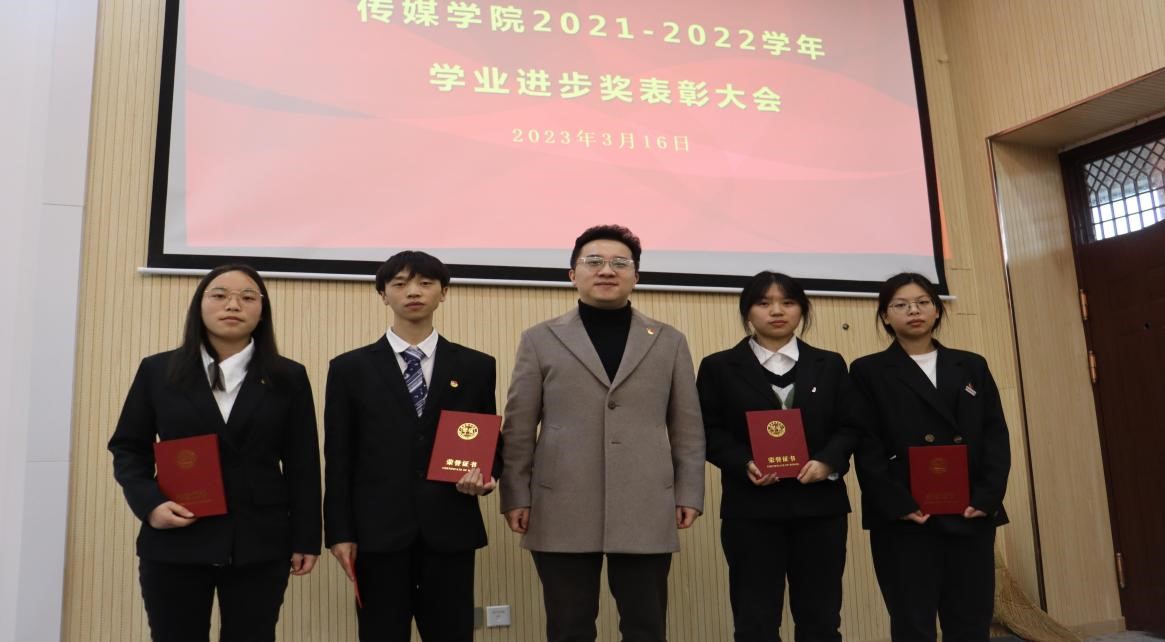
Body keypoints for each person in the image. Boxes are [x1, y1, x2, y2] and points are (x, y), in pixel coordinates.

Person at [499, 224, 705, 642]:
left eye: (619, 263)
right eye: (593, 262)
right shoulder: (540, 339)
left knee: (646, 626)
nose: (606, 270)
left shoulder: (668, 341)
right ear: (572, 274)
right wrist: (516, 494)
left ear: (636, 276)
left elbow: (687, 427)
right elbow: (519, 426)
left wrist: (689, 492)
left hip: (646, 502)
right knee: (569, 627)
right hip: (560, 502)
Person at [108, 264, 321, 642]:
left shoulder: (288, 376)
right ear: (199, 306)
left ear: (262, 311)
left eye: (247, 297)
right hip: (176, 535)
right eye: (219, 295)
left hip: (259, 539)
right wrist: (150, 504)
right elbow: (128, 447)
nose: (233, 305)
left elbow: (302, 463)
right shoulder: (158, 370)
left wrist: (306, 538)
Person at [323, 251, 497, 642]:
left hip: (449, 528)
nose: (413, 292)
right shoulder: (350, 368)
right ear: (383, 295)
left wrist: (486, 476)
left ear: (443, 292)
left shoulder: (476, 366)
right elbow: (338, 457)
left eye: (425, 283)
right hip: (376, 533)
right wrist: (339, 532)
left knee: (453, 634)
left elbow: (487, 439)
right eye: (400, 284)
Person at [697, 271, 861, 642]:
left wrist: (827, 462)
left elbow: (851, 426)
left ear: (802, 309)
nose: (777, 311)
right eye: (764, 302)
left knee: (821, 620)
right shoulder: (719, 366)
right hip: (751, 510)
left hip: (820, 509)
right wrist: (743, 462)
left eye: (788, 302)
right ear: (747, 311)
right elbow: (708, 430)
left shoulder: (830, 364)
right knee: (754, 622)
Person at [851, 272, 1010, 642]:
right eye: (901, 305)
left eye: (923, 302)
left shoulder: (971, 365)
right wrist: (897, 503)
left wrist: (987, 496)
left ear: (937, 310)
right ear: (885, 315)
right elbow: (866, 445)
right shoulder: (867, 370)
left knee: (970, 622)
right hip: (906, 517)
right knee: (913, 624)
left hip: (969, 510)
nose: (914, 311)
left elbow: (995, 435)